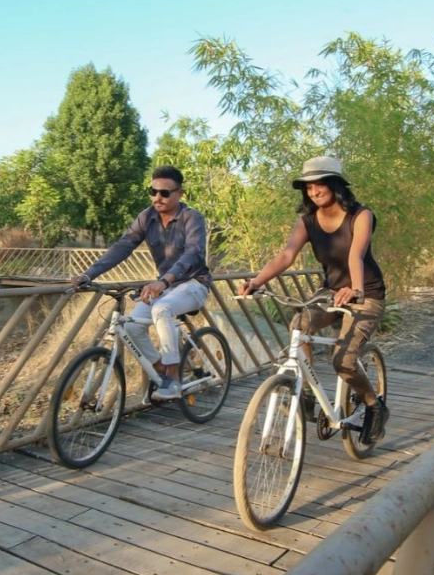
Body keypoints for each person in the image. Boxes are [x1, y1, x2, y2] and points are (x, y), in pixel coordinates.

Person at [239, 155, 389, 443]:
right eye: (308, 187)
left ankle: (373, 405)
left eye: (320, 185)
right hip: (331, 292)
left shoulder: (361, 215)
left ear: (335, 185)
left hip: (366, 293)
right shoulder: (307, 222)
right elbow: (286, 256)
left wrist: (356, 289)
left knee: (343, 361)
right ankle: (305, 394)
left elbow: (355, 255)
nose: (314, 191)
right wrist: (257, 282)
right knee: (299, 325)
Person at [72, 165, 212, 401]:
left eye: (165, 193)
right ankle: (162, 373)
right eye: (153, 191)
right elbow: (123, 246)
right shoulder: (147, 217)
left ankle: (174, 376)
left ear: (180, 193)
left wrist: (165, 281)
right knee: (132, 327)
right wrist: (88, 275)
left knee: (161, 308)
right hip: (166, 286)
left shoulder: (192, 217)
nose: (158, 197)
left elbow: (193, 253)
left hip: (194, 283)